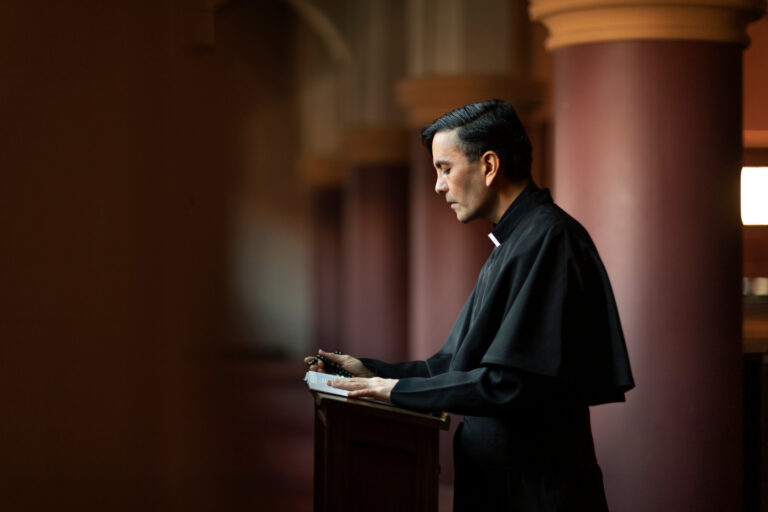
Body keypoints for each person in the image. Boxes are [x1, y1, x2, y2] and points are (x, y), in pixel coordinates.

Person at [304, 99, 634, 511]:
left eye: (445, 168)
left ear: (489, 166)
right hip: (501, 480)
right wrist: (371, 372)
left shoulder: (550, 240)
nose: (439, 185)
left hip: (534, 490)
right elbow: (453, 364)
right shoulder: (514, 242)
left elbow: (513, 383)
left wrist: (394, 391)